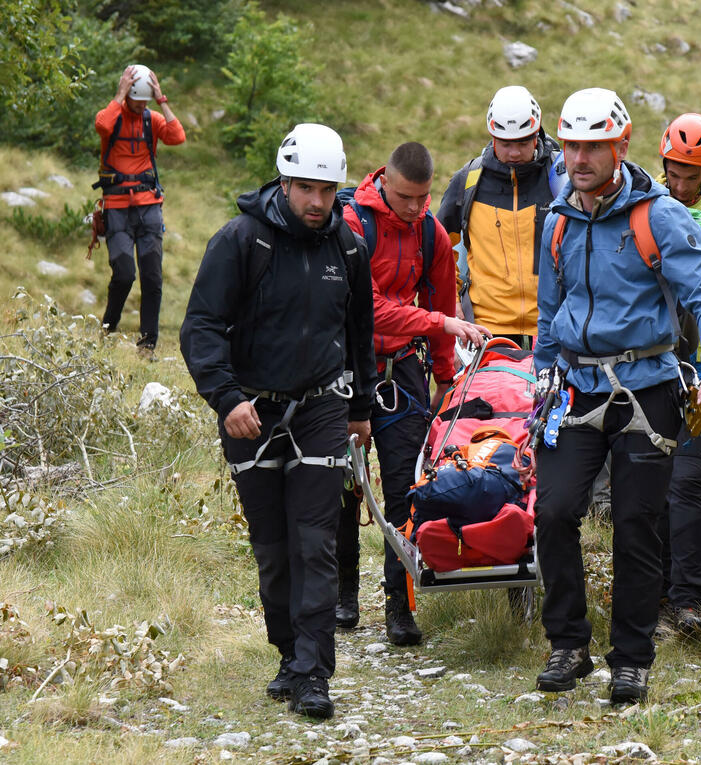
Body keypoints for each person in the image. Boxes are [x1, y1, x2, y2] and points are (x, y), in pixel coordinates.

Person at [532, 88, 701, 704]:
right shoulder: (558, 221)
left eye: (594, 145)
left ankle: (631, 658)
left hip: (648, 389)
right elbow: (549, 311)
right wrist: (541, 375)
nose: (581, 157)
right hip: (575, 385)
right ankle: (568, 644)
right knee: (553, 511)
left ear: (620, 146)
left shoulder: (660, 216)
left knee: (636, 524)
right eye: (571, 145)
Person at [180, 123, 377, 719]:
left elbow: (360, 335)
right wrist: (226, 398)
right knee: (272, 546)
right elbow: (201, 327)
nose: (317, 202)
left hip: (321, 406)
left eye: (327, 190)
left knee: (314, 542)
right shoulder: (241, 241)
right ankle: (289, 654)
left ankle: (315, 671)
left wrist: (362, 410)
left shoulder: (347, 247)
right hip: (250, 413)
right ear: (284, 181)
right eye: (306, 189)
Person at [334, 142, 489, 644]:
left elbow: (444, 297)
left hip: (404, 374)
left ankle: (399, 607)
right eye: (405, 197)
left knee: (404, 491)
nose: (415, 207)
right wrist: (440, 323)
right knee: (344, 485)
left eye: (423, 198)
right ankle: (342, 597)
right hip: (347, 369)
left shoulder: (431, 233)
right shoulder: (355, 223)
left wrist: (445, 377)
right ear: (385, 182)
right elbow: (367, 308)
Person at [649, 112, 701, 641]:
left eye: (691, 175)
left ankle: (688, 598)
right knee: (650, 483)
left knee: (691, 482)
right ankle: (653, 589)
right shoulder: (644, 209)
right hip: (654, 366)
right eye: (675, 173)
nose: (681, 184)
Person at [438, 85, 564, 350]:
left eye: (523, 142)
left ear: (537, 133)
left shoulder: (561, 179)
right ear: (492, 136)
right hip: (486, 329)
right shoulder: (467, 181)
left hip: (553, 325)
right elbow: (441, 251)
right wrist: (452, 301)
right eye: (506, 143)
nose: (515, 152)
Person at [95, 64, 185, 356]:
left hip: (148, 208)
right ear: (128, 96)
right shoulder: (113, 117)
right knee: (123, 274)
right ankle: (108, 329)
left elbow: (177, 136)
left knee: (152, 277)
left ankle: (147, 345)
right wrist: (120, 94)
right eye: (138, 100)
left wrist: (162, 100)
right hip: (117, 208)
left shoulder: (152, 119)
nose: (141, 106)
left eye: (145, 101)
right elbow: (102, 126)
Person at [655, 112, 701, 220]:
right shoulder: (647, 201)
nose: (681, 188)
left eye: (691, 178)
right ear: (665, 167)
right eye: (674, 175)